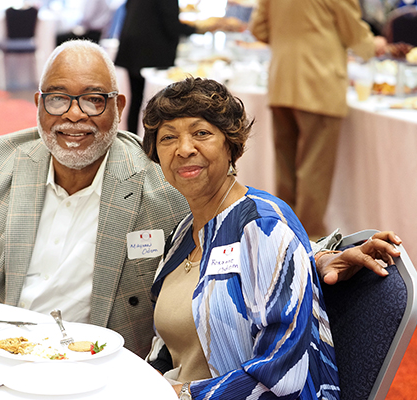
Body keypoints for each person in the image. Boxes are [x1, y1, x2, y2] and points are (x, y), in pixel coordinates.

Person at [0, 39, 189, 358]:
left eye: (93, 100)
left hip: (101, 366)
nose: (74, 114)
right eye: (58, 99)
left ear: (119, 107)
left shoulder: (164, 183)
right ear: (39, 103)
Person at [142, 76, 339, 399]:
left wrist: (184, 393)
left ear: (231, 144)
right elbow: (166, 348)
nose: (184, 149)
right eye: (168, 138)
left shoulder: (263, 226)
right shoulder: (183, 233)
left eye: (201, 133)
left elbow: (284, 372)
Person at [249, 0, 387, 241]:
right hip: (319, 83)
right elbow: (353, 31)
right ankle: (310, 240)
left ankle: (282, 235)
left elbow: (259, 28)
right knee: (315, 169)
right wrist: (373, 44)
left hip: (282, 80)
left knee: (286, 168)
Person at [114, 0, 207, 134]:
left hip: (132, 45)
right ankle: (151, 145)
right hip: (150, 52)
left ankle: (133, 140)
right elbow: (172, 26)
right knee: (157, 104)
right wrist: (199, 28)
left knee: (136, 99)